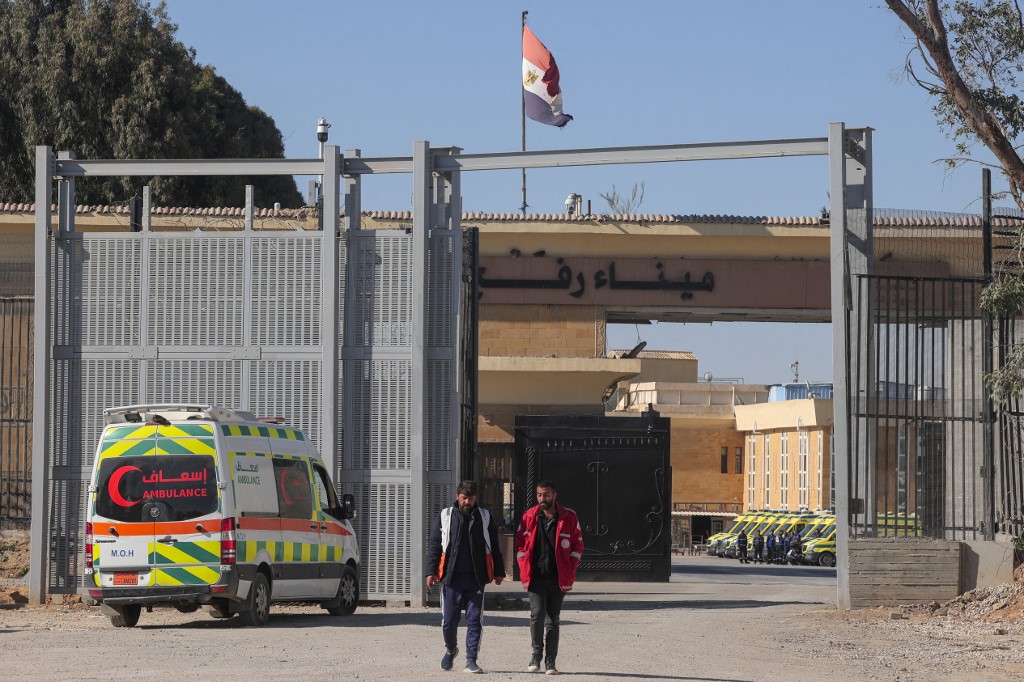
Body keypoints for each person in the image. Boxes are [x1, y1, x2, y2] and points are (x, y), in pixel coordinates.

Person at [426, 480, 505, 674]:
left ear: (475, 497)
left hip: (476, 578)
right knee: (449, 620)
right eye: (464, 498)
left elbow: (494, 544)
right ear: (457, 496)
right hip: (451, 578)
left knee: (474, 620)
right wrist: (430, 571)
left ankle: (471, 660)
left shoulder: (484, 517)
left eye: (470, 498)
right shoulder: (445, 516)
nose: (467, 501)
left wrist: (498, 571)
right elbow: (435, 544)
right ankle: (451, 649)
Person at [515, 480, 584, 676]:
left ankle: (551, 661)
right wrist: (522, 565)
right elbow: (520, 545)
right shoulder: (528, 516)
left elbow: (578, 545)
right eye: (539, 495)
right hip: (535, 576)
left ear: (554, 495)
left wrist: (571, 567)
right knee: (537, 615)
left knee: (553, 618)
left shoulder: (569, 517)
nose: (542, 499)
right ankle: (536, 656)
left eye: (546, 495)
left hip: (558, 577)